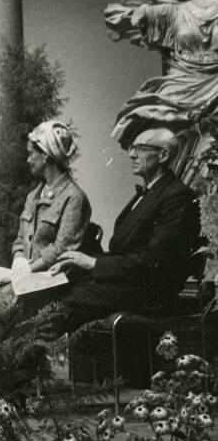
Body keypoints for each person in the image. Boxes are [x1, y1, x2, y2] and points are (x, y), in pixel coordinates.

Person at [47, 127, 202, 334]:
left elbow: (154, 262)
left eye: (140, 148)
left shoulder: (177, 196)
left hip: (147, 294)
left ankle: (32, 361)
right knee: (52, 288)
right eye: (131, 148)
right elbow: (126, 250)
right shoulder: (148, 192)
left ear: (163, 155)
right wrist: (80, 260)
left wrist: (93, 263)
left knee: (56, 307)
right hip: (126, 283)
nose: (131, 154)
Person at [0, 121, 92, 345]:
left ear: (47, 156)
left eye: (31, 154)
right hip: (27, 277)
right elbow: (20, 239)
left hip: (52, 281)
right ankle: (4, 366)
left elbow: (62, 250)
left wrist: (21, 273)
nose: (28, 159)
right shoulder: (34, 196)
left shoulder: (74, 198)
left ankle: (6, 368)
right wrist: (19, 261)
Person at [105, 0, 218, 147]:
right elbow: (134, 17)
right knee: (159, 123)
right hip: (181, 78)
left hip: (214, 81)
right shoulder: (174, 11)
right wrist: (140, 15)